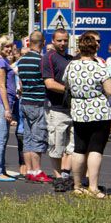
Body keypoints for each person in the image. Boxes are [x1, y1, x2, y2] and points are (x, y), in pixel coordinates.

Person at [63, 34, 111, 198]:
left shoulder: (71, 66)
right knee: (95, 149)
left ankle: (77, 185)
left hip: (79, 111)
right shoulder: (99, 66)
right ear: (95, 49)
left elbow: (66, 84)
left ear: (79, 48)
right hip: (99, 111)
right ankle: (93, 187)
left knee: (79, 149)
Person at [16, 31, 51, 183]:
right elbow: (46, 82)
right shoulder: (42, 61)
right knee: (38, 138)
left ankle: (29, 170)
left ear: (29, 42)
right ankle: (37, 170)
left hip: (25, 102)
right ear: (42, 43)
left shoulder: (22, 61)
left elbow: (22, 84)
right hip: (38, 102)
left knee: (28, 138)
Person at [42, 28, 74, 178]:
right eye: (59, 40)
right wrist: (69, 90)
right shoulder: (48, 57)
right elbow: (49, 83)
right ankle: (58, 177)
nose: (63, 43)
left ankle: (66, 174)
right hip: (55, 109)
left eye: (65, 40)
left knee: (72, 147)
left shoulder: (71, 58)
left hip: (72, 108)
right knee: (56, 145)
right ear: (53, 41)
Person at [0, 35, 19, 181]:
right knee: (1, 138)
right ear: (0, 47)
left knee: (4, 137)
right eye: (6, 46)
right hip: (3, 103)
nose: (9, 49)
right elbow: (1, 86)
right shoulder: (1, 62)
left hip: (4, 101)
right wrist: (7, 109)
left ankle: (1, 169)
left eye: (10, 46)